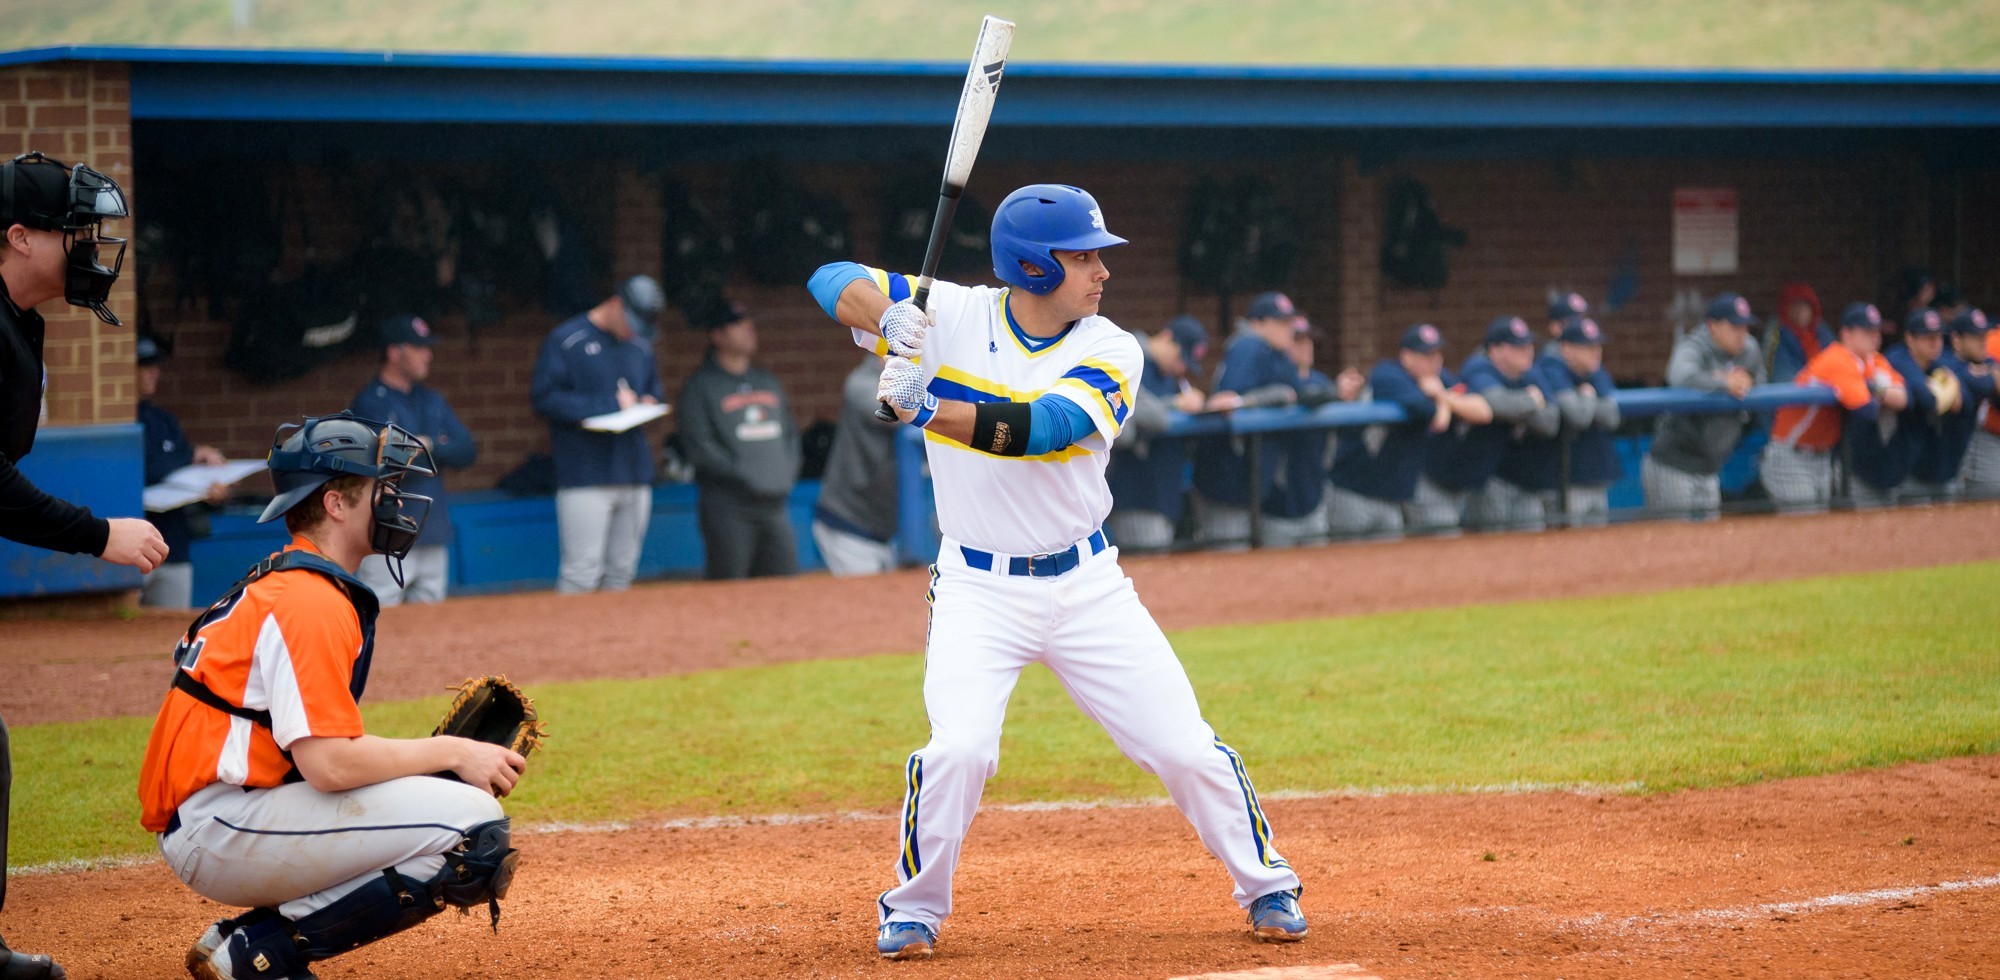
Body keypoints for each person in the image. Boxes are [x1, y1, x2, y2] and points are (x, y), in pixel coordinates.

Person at [807, 183, 1307, 961]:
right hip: (977, 587)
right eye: (1083, 256)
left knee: (1182, 747)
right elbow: (830, 278)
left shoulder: (1111, 347)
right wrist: (888, 317)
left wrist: (927, 405)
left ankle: (1267, 882)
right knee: (960, 750)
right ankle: (913, 909)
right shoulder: (957, 313)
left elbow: (1046, 429)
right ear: (1033, 268)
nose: (1101, 270)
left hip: (1087, 586)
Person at [139, 413, 526, 980]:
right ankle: (259, 953)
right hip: (224, 824)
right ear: (336, 505)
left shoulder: (294, 582)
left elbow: (320, 755)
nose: (394, 499)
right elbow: (329, 763)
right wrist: (452, 753)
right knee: (474, 830)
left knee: (439, 805)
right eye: (378, 487)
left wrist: (423, 770)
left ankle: (239, 939)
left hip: (228, 809)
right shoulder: (310, 601)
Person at [0, 150, 158, 980]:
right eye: (74, 232)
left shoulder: (17, 322)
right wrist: (99, 535)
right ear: (19, 238)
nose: (90, 248)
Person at [530, 275, 667, 594]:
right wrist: (608, 405)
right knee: (581, 573)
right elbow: (545, 399)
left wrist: (648, 403)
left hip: (633, 470)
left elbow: (653, 393)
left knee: (622, 572)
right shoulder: (567, 339)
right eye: (631, 321)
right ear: (616, 304)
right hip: (585, 473)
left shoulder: (640, 345)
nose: (634, 331)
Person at [349, 314, 476, 605]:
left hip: (432, 528)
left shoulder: (431, 399)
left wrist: (425, 445)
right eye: (419, 348)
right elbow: (389, 458)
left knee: (431, 624)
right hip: (388, 532)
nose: (428, 355)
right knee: (382, 616)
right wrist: (433, 445)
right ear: (395, 353)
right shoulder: (371, 401)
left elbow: (466, 450)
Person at [1326, 323, 1489, 540]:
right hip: (1353, 491)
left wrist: (1440, 395)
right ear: (1406, 356)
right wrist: (1445, 401)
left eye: (1437, 354)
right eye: (1426, 355)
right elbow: (1430, 414)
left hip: (1391, 497)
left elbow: (1483, 410)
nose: (1434, 361)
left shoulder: (1437, 379)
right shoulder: (1387, 374)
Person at [676, 299, 801, 580]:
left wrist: (784, 472)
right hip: (729, 507)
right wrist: (746, 476)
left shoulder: (767, 381)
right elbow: (700, 448)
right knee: (730, 591)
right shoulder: (700, 387)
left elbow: (790, 436)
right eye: (737, 324)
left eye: (749, 322)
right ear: (717, 336)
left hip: (774, 505)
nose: (748, 329)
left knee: (787, 588)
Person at [1190, 292, 1310, 548]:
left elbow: (1296, 393)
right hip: (1227, 480)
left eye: (1290, 322)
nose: (1288, 329)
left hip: (1247, 483)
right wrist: (1274, 396)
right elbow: (1230, 398)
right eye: (1280, 322)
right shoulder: (1249, 346)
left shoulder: (1277, 354)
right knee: (1227, 564)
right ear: (1256, 323)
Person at [1762, 303, 1905, 514]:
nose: (1875, 337)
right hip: (1791, 454)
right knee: (1805, 528)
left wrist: (1874, 388)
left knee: (1819, 529)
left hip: (1822, 456)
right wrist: (1878, 388)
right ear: (1846, 334)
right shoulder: (1837, 359)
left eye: (1877, 331)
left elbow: (1902, 398)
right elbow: (1867, 409)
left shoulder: (1873, 360)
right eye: (1867, 332)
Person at [1423, 315, 1558, 534]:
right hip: (1441, 476)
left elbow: (1551, 422)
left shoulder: (1530, 372)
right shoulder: (1478, 367)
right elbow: (1495, 405)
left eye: (1528, 344)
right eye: (1517, 346)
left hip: (1477, 476)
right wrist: (1531, 401)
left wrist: (1516, 408)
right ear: (1495, 350)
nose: (1527, 350)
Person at [1644, 292, 1765, 520]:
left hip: (1710, 467)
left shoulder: (1749, 349)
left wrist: (1748, 382)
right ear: (1713, 326)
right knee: (1674, 540)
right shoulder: (1694, 345)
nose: (1742, 334)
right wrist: (1722, 382)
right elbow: (1678, 375)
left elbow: (1762, 382)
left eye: (1745, 327)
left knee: (1709, 540)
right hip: (1674, 463)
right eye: (1735, 327)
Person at [137, 333, 230, 609]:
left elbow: (181, 480)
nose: (154, 372)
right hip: (132, 550)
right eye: (144, 365)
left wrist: (211, 493)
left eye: (156, 364)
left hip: (172, 546)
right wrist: (192, 454)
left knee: (170, 640)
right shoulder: (116, 420)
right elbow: (148, 469)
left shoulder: (164, 421)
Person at [1105, 314, 1208, 552]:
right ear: (1167, 337)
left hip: (1161, 494)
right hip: (1134, 493)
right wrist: (1176, 404)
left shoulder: (1167, 375)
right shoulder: (1130, 359)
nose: (1181, 368)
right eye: (1180, 358)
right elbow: (1154, 418)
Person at [1519, 316, 1622, 527]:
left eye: (1597, 346)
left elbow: (1612, 417)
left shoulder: (1596, 372)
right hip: (1564, 481)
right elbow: (1578, 416)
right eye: (1587, 347)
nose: (1596, 353)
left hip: (1595, 477)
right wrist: (1588, 397)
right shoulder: (1550, 369)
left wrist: (1584, 398)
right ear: (1566, 348)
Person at [811, 355, 902, 576]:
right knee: (867, 604)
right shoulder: (861, 382)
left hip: (886, 528)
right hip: (848, 524)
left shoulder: (923, 380)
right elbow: (906, 415)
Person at [1882, 309, 1960, 503]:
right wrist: (1945, 390)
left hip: (1921, 461)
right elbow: (1929, 401)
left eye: (1938, 336)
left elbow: (1961, 401)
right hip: (1888, 464)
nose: (1935, 343)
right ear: (1910, 338)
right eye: (1927, 337)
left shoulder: (1936, 362)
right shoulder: (1898, 358)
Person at [1951, 311, 2000, 498]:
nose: (1982, 342)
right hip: (1935, 461)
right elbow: (1980, 383)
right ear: (1957, 340)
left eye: (1983, 335)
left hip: (1962, 453)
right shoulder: (1945, 360)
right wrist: (1987, 377)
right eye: (1975, 336)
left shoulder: (1987, 361)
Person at [1763, 282, 1832, 386]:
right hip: (1790, 395)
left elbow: (1835, 361)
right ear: (1786, 308)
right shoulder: (1777, 332)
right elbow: (1778, 375)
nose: (1801, 311)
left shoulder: (1821, 330)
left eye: (1806, 306)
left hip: (1821, 393)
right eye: (1796, 306)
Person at [1542, 290, 1588, 359]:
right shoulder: (1550, 355)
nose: (1580, 325)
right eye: (1573, 321)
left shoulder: (1589, 349)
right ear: (1554, 327)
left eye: (1582, 319)